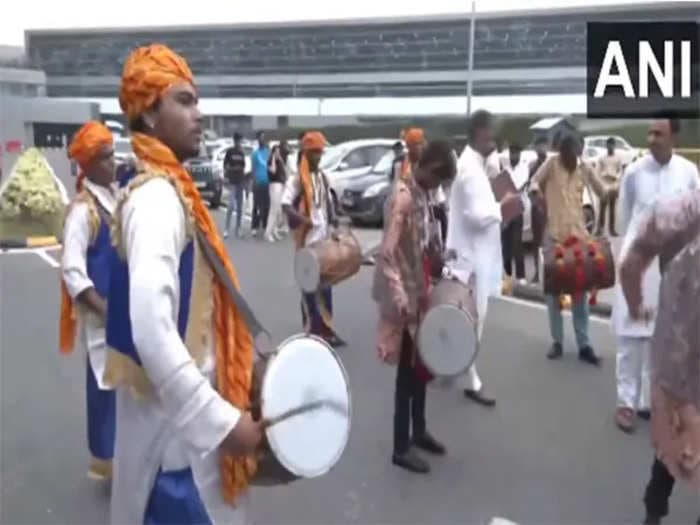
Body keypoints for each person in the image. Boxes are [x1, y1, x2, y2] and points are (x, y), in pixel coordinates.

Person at [105, 44, 262, 525]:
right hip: (176, 458)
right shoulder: (156, 201)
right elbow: (152, 331)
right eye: (185, 101)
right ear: (150, 115)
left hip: (181, 442)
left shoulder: (170, 190)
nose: (200, 114)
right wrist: (221, 423)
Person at [373, 140, 457, 474]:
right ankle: (400, 446)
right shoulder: (404, 197)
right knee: (406, 375)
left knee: (421, 367)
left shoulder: (422, 193)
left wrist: (439, 256)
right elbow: (387, 254)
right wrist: (401, 298)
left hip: (419, 288)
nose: (438, 187)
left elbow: (421, 240)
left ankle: (419, 431)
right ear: (429, 168)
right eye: (438, 180)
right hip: (403, 295)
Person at [619, 189, 700, 525]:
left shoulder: (681, 207)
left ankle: (652, 517)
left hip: (676, 356)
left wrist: (636, 305)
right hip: (679, 358)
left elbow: (630, 264)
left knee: (670, 442)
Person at [612, 119, 698, 433]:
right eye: (649, 133)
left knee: (661, 338)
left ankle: (649, 402)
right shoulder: (634, 173)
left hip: (674, 266)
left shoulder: (689, 173)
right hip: (639, 261)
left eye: (658, 134)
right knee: (630, 336)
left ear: (675, 135)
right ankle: (625, 402)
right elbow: (625, 217)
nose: (651, 140)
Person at [446, 110, 521, 407]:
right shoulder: (469, 169)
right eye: (491, 132)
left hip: (474, 259)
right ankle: (471, 379)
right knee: (473, 322)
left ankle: (450, 367)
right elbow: (478, 216)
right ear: (478, 132)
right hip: (470, 263)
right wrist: (504, 206)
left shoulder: (476, 166)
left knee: (466, 321)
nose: (495, 138)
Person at [59, 120, 117, 481]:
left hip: (123, 313)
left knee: (128, 390)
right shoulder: (83, 210)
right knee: (105, 389)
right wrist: (102, 308)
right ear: (90, 164)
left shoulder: (114, 197)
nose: (114, 163)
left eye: (113, 155)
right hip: (102, 318)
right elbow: (72, 270)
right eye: (107, 157)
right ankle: (108, 462)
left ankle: (126, 461)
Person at [529, 132, 608, 365]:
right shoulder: (551, 165)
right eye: (566, 154)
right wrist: (536, 195)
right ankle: (557, 342)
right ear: (561, 152)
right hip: (554, 238)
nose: (570, 159)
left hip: (578, 239)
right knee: (553, 293)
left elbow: (602, 191)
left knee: (579, 293)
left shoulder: (584, 168)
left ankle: (584, 345)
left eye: (573, 155)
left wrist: (612, 194)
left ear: (578, 153)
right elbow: (534, 182)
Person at [282, 131, 346, 348]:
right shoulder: (297, 179)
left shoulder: (322, 177)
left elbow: (327, 204)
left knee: (326, 289)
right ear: (306, 153)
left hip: (324, 243)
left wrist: (335, 219)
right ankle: (311, 331)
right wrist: (302, 220)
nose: (320, 156)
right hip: (307, 245)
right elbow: (285, 205)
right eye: (316, 152)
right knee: (309, 289)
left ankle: (326, 331)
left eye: (321, 152)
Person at [501, 142, 529, 283]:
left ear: (520, 154)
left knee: (517, 242)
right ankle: (507, 274)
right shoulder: (505, 170)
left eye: (516, 153)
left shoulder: (523, 168)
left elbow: (520, 186)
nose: (514, 156)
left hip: (517, 209)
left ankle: (521, 275)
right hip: (506, 209)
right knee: (505, 243)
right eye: (512, 153)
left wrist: (510, 192)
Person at [527, 136, 549, 282]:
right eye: (538, 146)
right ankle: (537, 272)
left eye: (543, 145)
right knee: (537, 243)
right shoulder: (533, 166)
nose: (540, 148)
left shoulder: (552, 164)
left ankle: (549, 271)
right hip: (537, 209)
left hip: (550, 208)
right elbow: (529, 187)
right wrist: (535, 202)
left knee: (550, 243)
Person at [596, 137, 623, 237]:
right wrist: (603, 175)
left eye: (612, 144)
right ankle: (600, 229)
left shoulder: (617, 159)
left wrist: (616, 177)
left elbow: (620, 171)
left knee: (612, 208)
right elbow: (597, 172)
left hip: (613, 185)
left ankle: (612, 230)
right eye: (609, 144)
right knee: (602, 208)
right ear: (606, 146)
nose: (610, 146)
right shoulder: (602, 158)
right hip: (604, 184)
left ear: (614, 146)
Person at [223, 132, 247, 238]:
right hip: (232, 181)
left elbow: (243, 167)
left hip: (240, 181)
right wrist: (230, 172)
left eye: (240, 141)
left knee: (240, 207)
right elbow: (226, 166)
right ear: (235, 141)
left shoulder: (242, 153)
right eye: (238, 140)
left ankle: (238, 229)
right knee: (231, 206)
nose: (239, 142)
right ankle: (226, 229)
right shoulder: (230, 152)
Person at [264, 140, 289, 242]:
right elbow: (273, 170)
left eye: (279, 152)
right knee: (273, 210)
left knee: (278, 210)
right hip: (274, 185)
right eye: (276, 151)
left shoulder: (280, 162)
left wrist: (281, 161)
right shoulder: (270, 161)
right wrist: (274, 158)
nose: (279, 153)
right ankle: (268, 232)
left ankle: (274, 231)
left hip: (280, 185)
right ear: (273, 152)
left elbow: (286, 173)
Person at [251, 131, 270, 236]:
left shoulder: (269, 152)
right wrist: (253, 182)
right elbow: (253, 170)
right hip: (258, 183)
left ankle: (265, 225)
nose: (263, 139)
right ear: (258, 140)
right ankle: (255, 226)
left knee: (267, 206)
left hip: (268, 183)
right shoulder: (255, 154)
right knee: (257, 206)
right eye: (261, 138)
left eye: (264, 137)